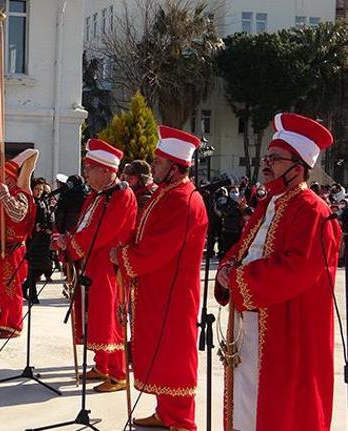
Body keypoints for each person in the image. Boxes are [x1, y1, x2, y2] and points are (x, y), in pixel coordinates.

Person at [215, 113, 340, 431]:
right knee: (246, 403)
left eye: (275, 158)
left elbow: (297, 269)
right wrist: (227, 269)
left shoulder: (313, 211)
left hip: (288, 330)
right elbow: (241, 248)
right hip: (250, 327)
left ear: (297, 167)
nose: (265, 163)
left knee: (282, 409)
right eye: (266, 156)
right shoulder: (266, 204)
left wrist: (240, 279)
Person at [110, 126, 208, 431]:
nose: (154, 167)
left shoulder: (183, 200)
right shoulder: (168, 194)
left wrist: (125, 258)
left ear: (176, 168)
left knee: (175, 354)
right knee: (162, 352)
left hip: (174, 293)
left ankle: (181, 418)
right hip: (158, 287)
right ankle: (166, 411)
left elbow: (159, 246)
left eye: (160, 162)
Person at [68, 139, 137, 392]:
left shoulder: (122, 195)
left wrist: (72, 244)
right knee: (94, 316)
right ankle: (101, 363)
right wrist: (68, 240)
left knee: (110, 318)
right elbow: (84, 226)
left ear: (107, 170)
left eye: (90, 168)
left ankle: (118, 374)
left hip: (110, 267)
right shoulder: (97, 196)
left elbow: (103, 232)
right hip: (92, 264)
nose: (86, 172)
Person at [0, 149, 38, 338]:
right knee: (0, 288)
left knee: (12, 289)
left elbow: (18, 214)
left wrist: (6, 196)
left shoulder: (19, 193)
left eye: (1, 173)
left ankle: (14, 325)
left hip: (11, 250)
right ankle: (3, 321)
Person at [23, 177, 53, 304]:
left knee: (43, 266)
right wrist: (35, 227)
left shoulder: (44, 201)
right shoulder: (29, 201)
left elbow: (49, 216)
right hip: (33, 237)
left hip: (44, 238)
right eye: (37, 189)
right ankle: (33, 294)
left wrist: (49, 228)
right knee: (33, 267)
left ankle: (24, 286)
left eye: (41, 189)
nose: (39, 191)